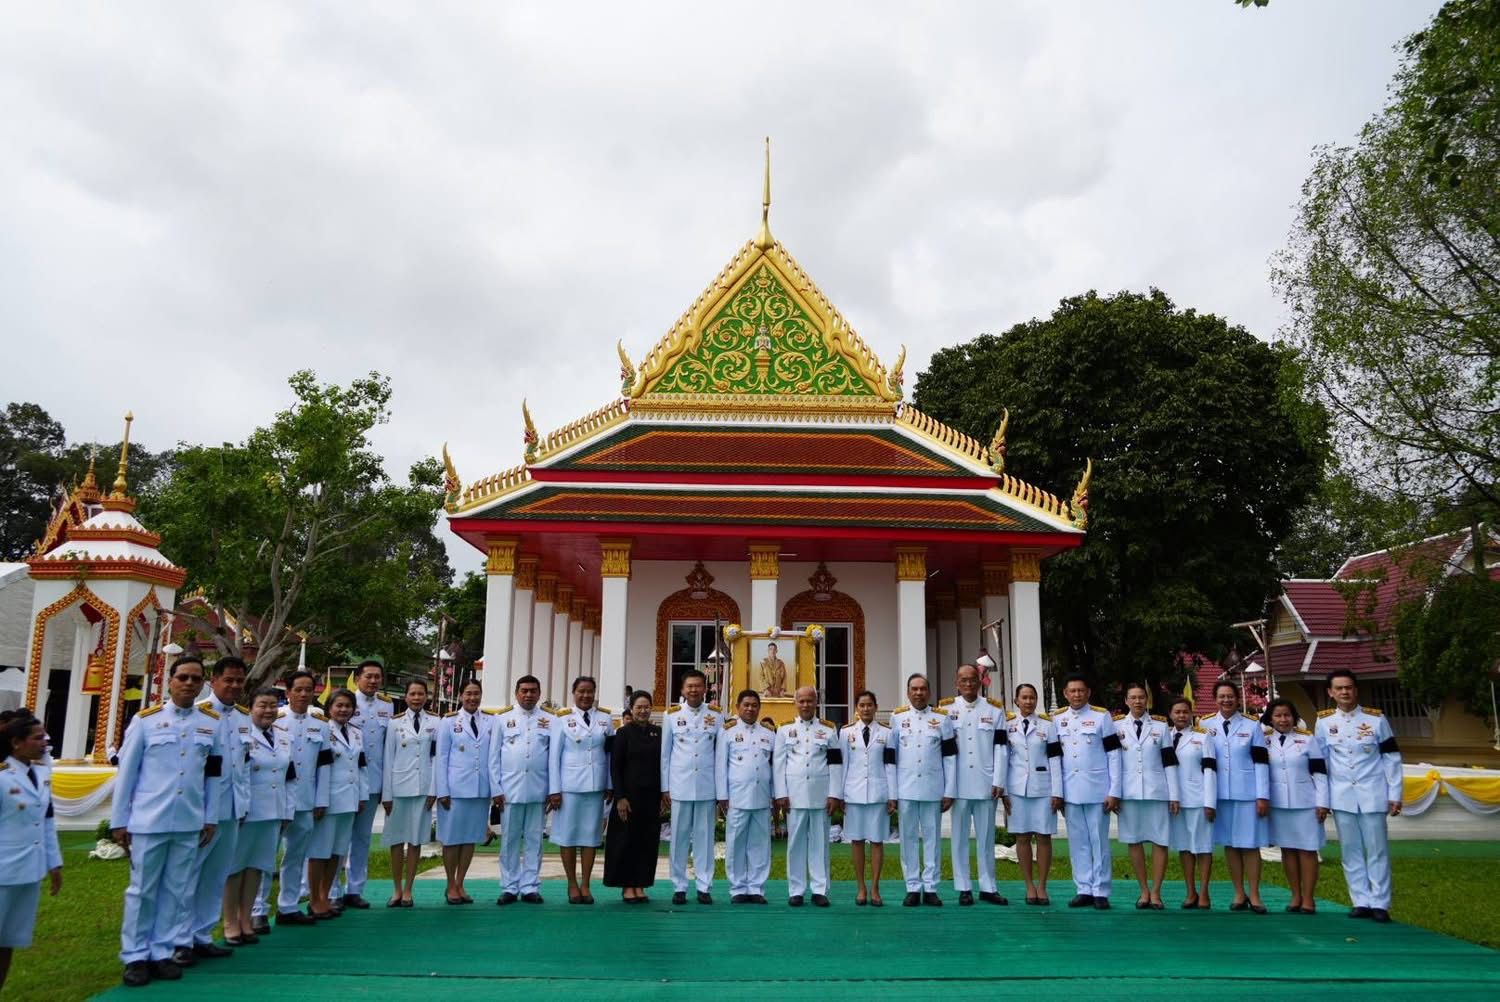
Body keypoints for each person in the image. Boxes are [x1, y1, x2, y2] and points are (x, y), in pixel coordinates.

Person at [111, 655, 223, 987]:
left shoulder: (210, 723)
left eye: (195, 678)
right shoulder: (146, 721)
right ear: (170, 681)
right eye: (183, 677)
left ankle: (161, 951)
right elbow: (127, 773)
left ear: (203, 683)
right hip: (149, 819)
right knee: (142, 889)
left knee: (177, 889)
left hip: (189, 818)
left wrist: (210, 816)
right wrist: (121, 820)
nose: (189, 683)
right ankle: (134, 956)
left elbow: (213, 776)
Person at [1314, 669, 1403, 923]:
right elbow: (1321, 762)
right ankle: (1360, 900)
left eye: (1349, 687)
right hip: (1342, 794)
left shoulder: (1376, 720)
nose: (1344, 692)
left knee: (1377, 849)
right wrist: (1323, 797)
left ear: (1356, 690)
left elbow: (1392, 757)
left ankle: (1380, 902)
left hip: (1373, 792)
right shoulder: (1324, 722)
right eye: (1339, 688)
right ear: (1330, 692)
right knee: (1350, 849)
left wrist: (1395, 792)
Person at [182, 656, 249, 964]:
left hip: (233, 808)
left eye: (239, 681)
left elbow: (243, 766)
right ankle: (181, 938)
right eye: (229, 680)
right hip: (203, 810)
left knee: (216, 875)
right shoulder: (198, 715)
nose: (234, 686)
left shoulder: (243, 718)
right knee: (190, 875)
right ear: (214, 680)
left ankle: (202, 935)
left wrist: (244, 804)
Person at [257, 670, 329, 930]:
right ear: (287, 693)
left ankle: (288, 905)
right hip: (276, 801)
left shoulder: (320, 724)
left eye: (308, 689)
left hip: (305, 800)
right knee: (267, 855)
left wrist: (321, 799)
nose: (303, 694)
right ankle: (259, 908)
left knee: (296, 855)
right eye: (297, 689)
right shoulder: (273, 721)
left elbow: (324, 766)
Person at [222, 687, 291, 945]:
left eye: (273, 705)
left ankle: (247, 919)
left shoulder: (284, 736)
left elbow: (288, 776)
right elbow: (237, 775)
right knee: (236, 868)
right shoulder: (241, 735)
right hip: (247, 812)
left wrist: (287, 810)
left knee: (257, 867)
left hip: (273, 811)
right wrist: (239, 808)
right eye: (262, 705)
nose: (268, 710)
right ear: (250, 707)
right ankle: (230, 923)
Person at [0, 711, 62, 992]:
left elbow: (46, 821)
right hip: (3, 870)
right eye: (38, 738)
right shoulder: (2, 776)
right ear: (16, 742)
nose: (44, 743)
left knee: (10, 939)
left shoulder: (40, 773)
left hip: (29, 870)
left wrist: (54, 862)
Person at [1051, 674, 1121, 909]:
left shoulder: (1102, 717)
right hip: (1070, 791)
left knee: (1099, 840)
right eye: (1072, 691)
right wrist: (1057, 792)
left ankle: (1101, 890)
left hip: (1097, 790)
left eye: (1081, 690)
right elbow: (1055, 759)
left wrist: (1114, 790)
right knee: (1078, 842)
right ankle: (1083, 888)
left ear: (1088, 692)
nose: (1077, 695)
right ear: (1065, 694)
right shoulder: (1057, 719)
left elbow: (1114, 755)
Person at [941, 664, 1008, 906]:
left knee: (986, 837)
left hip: (985, 782)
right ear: (956, 683)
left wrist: (999, 780)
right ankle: (963, 886)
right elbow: (942, 751)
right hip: (957, 784)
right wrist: (945, 786)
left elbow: (1001, 748)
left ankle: (988, 886)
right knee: (958, 837)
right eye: (963, 680)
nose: (968, 684)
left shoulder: (994, 710)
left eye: (972, 680)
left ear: (980, 682)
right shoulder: (945, 710)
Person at [887, 673, 956, 907]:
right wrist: (892, 793)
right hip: (905, 788)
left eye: (922, 689)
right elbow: (890, 758)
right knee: (907, 839)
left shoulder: (942, 719)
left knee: (932, 839)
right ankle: (912, 887)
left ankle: (932, 886)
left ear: (929, 692)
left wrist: (949, 790)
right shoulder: (897, 719)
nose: (918, 693)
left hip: (932, 788)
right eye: (914, 689)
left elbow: (950, 758)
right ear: (908, 692)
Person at [773, 686, 843, 907]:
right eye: (801, 701)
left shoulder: (829, 730)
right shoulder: (784, 730)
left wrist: (834, 794)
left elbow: (836, 764)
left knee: (820, 844)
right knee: (795, 844)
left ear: (816, 702)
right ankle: (796, 889)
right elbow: (778, 764)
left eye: (809, 701)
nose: (805, 705)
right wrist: (781, 793)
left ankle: (820, 889)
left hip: (820, 795)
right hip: (794, 796)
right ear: (795, 702)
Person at [1204, 680, 1270, 913]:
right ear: (1215, 699)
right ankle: (1239, 893)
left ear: (1237, 698)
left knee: (1250, 845)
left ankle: (1254, 893)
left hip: (1247, 793)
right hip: (1220, 794)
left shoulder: (1252, 725)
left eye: (1230, 696)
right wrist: (1207, 798)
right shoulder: (1205, 724)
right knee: (1230, 845)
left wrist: (1263, 795)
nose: (1226, 700)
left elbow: (1262, 762)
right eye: (1221, 696)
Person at [549, 676, 616, 904]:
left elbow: (610, 755)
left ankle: (586, 884)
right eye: (581, 691)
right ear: (573, 693)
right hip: (569, 787)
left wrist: (609, 784)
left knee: (591, 837)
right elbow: (553, 757)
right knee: (567, 837)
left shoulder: (605, 719)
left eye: (590, 691)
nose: (586, 696)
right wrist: (554, 790)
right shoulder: (562, 719)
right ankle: (571, 884)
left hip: (595, 787)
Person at [1115, 682, 1179, 910]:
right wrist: (1114, 792)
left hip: (1157, 792)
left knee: (1160, 841)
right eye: (1133, 697)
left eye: (1141, 697)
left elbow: (1170, 762)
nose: (1138, 701)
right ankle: (1143, 891)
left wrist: (1174, 795)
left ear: (1147, 700)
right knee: (1134, 841)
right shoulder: (1116, 727)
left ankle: (1156, 891)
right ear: (1126, 701)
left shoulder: (1161, 727)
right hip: (1129, 793)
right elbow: (1112, 762)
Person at [661, 668, 722, 905]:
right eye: (690, 686)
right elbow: (665, 755)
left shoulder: (716, 716)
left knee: (705, 837)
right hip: (680, 785)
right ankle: (679, 885)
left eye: (698, 686)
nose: (694, 690)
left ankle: (704, 885)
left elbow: (719, 755)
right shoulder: (672, 715)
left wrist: (720, 789)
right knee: (679, 837)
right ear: (682, 690)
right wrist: (665, 787)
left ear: (705, 689)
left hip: (706, 785)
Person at [1264, 697, 1329, 914]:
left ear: (1294, 717)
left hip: (1306, 802)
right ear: (1270, 719)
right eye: (1278, 715)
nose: (1283, 720)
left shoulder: (1307, 740)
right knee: (1288, 850)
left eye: (1287, 715)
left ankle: (1309, 898)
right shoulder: (1263, 741)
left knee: (1308, 850)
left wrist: (1323, 802)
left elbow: (1320, 772)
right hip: (1279, 804)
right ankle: (1295, 895)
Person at [307, 689, 366, 920]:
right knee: (320, 851)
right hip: (328, 800)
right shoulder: (323, 731)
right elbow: (319, 767)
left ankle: (326, 895)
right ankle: (314, 899)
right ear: (329, 708)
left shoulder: (356, 733)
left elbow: (361, 767)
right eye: (339, 705)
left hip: (349, 800)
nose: (343, 710)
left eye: (348, 706)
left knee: (337, 852)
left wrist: (361, 796)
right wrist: (319, 800)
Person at [490, 675, 550, 905]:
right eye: (524, 690)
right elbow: (493, 757)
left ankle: (530, 886)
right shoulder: (502, 719)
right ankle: (509, 886)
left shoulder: (549, 719)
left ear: (539, 693)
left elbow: (552, 758)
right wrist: (496, 788)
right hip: (509, 790)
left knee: (535, 840)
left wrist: (552, 790)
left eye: (533, 690)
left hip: (538, 789)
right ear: (516, 693)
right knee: (510, 840)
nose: (528, 694)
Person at [1002, 682, 1061, 906]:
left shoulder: (1048, 726)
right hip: (1017, 789)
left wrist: (1058, 792)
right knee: (1022, 837)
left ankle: (1043, 886)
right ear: (1016, 701)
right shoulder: (1008, 725)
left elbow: (1055, 759)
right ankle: (1029, 885)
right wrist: (1004, 791)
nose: (1028, 701)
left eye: (1032, 697)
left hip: (1044, 788)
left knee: (1044, 837)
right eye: (1024, 697)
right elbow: (1004, 760)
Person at [382, 678, 438, 908]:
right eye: (412, 694)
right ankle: (396, 888)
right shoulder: (394, 724)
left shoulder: (435, 722)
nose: (416, 698)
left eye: (420, 694)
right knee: (396, 841)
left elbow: (436, 758)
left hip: (422, 788)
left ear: (427, 696)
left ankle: (408, 890)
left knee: (415, 841)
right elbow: (387, 759)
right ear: (405, 697)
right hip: (398, 788)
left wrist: (434, 789)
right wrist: (386, 795)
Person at [437, 679, 493, 905]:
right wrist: (442, 790)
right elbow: (441, 758)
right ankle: (450, 883)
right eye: (468, 694)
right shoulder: (449, 721)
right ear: (461, 696)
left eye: (476, 694)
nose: (473, 698)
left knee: (470, 838)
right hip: (455, 789)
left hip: (479, 789)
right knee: (452, 839)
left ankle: (461, 882)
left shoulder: (490, 720)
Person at [717, 689, 775, 904]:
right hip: (737, 797)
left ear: (759, 708)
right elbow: (720, 766)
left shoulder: (769, 733)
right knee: (736, 843)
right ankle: (738, 888)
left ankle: (757, 888)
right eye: (746, 705)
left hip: (761, 796)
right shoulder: (728, 731)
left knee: (760, 844)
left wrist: (776, 795)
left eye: (754, 705)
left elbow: (774, 767)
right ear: (738, 707)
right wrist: (722, 794)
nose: (750, 709)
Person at [344, 660, 392, 910]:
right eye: (368, 677)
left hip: (373, 781)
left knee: (362, 838)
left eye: (377, 677)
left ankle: (354, 889)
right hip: (345, 782)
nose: (373, 681)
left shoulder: (387, 705)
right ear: (357, 677)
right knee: (339, 838)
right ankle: (330, 891)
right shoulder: (345, 702)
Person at [605, 691, 661, 903]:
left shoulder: (658, 733)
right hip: (628, 798)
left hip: (651, 797)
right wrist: (620, 797)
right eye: (639, 707)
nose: (643, 711)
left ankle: (641, 884)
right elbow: (616, 767)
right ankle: (627, 886)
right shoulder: (623, 733)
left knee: (646, 841)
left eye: (647, 706)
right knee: (627, 842)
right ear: (631, 709)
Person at [841, 690, 893, 907]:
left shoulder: (887, 733)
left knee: (877, 841)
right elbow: (842, 764)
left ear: (876, 706)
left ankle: (875, 888)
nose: (866, 709)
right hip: (853, 794)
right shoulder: (845, 733)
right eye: (862, 705)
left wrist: (893, 795)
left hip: (878, 793)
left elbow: (891, 765)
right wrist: (839, 794)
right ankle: (861, 887)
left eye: (870, 705)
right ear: (856, 708)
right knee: (857, 840)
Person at [1165, 697, 1217, 909]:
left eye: (1185, 712)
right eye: (1177, 712)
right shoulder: (1164, 736)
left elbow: (1210, 770)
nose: (1181, 716)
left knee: (1203, 848)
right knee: (1184, 848)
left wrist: (1210, 802)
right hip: (1175, 801)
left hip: (1198, 799)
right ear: (1170, 714)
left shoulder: (1202, 737)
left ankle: (1204, 892)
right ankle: (1190, 892)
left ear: (1191, 714)